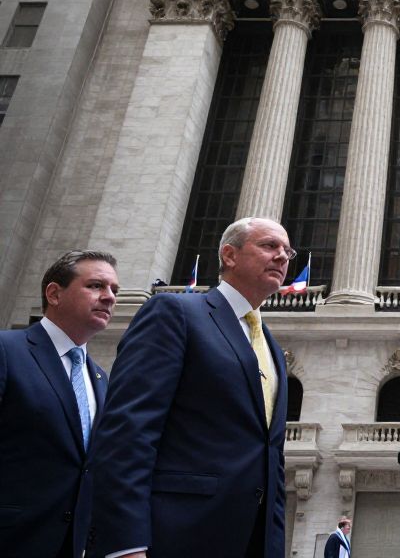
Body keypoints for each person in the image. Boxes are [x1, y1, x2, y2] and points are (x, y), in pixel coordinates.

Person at [88, 217, 292, 558]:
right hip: (173, 535)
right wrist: (126, 543)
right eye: (270, 246)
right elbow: (128, 430)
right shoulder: (175, 313)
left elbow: (272, 458)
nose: (283, 256)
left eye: (287, 251)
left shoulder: (270, 347)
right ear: (229, 255)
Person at [0, 250, 119, 558]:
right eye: (96, 285)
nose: (109, 297)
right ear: (54, 294)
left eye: (114, 290)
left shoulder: (100, 378)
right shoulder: (7, 350)